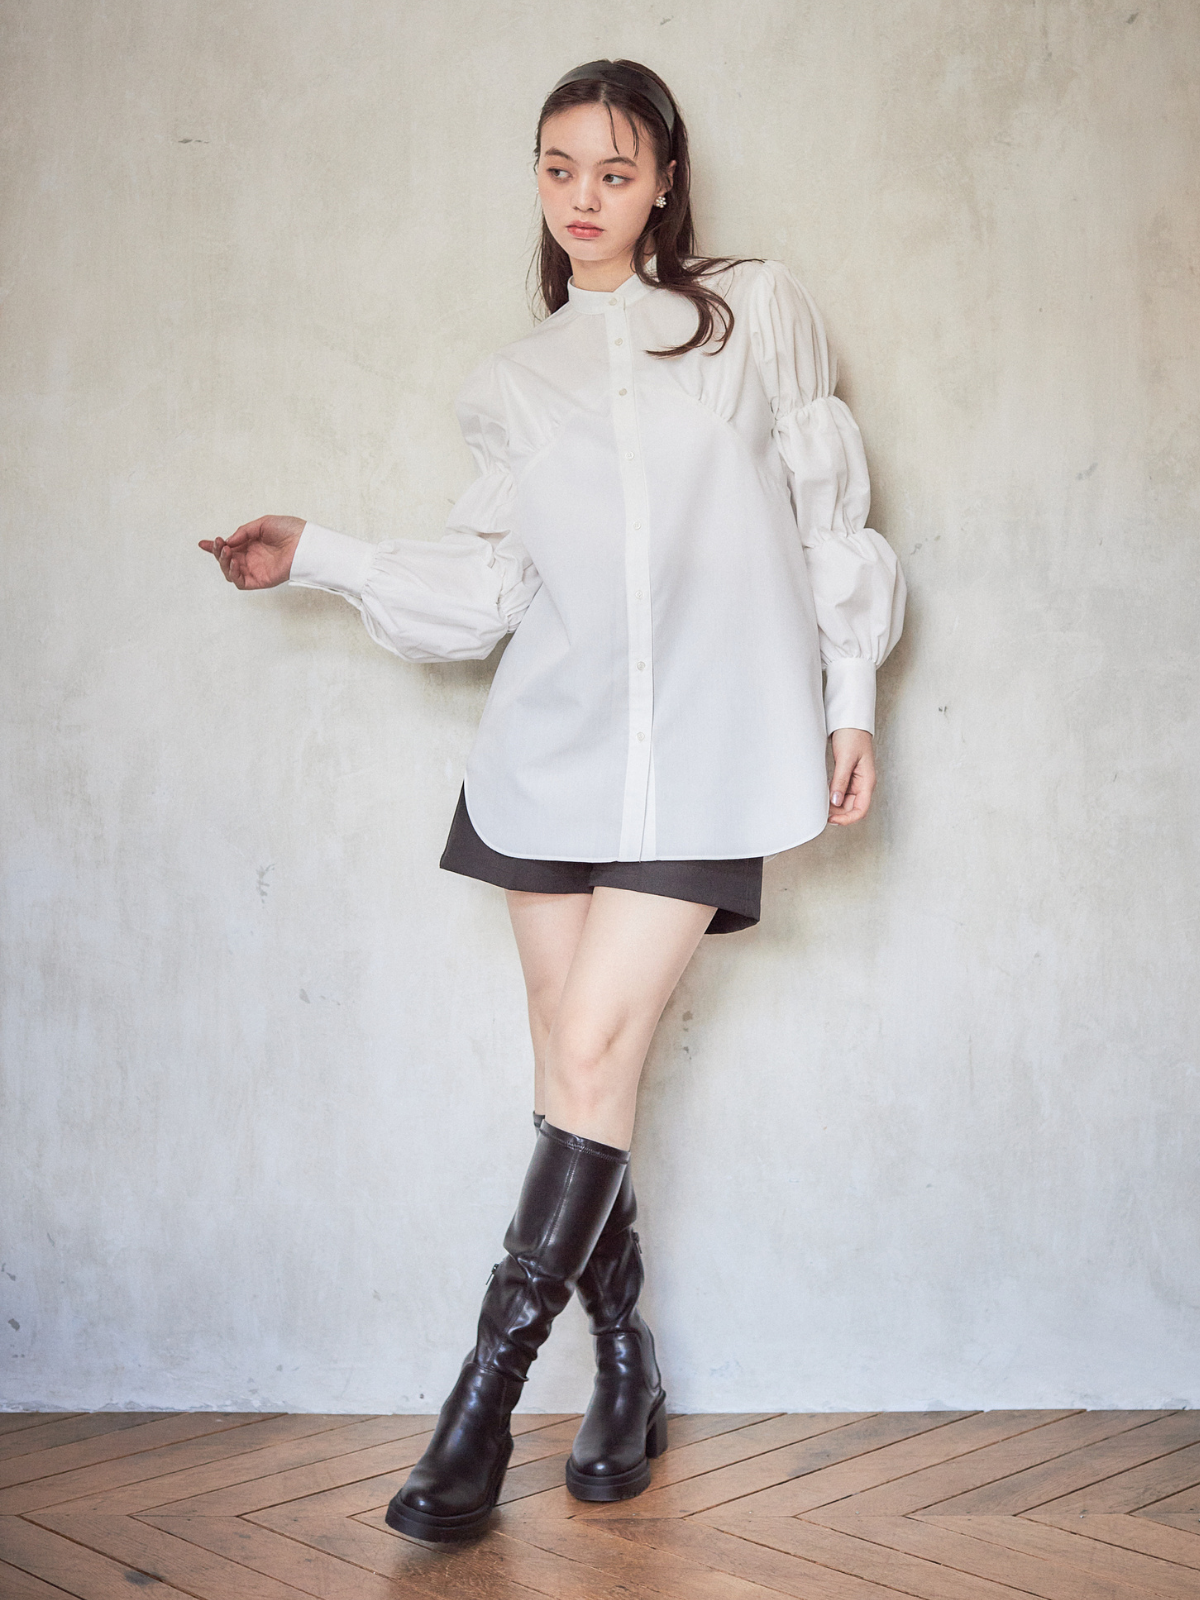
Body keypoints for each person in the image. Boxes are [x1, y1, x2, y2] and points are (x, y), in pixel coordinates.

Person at [200, 57, 905, 1543]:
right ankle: (628, 1367)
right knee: (573, 1068)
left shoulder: (749, 318)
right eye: (560, 168)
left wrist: (851, 702)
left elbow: (829, 513)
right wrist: (317, 552)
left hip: (710, 754)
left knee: (588, 1053)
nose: (585, 197)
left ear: (665, 182)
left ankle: (481, 1407)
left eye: (615, 170)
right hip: (551, 755)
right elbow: (488, 591)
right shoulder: (514, 382)